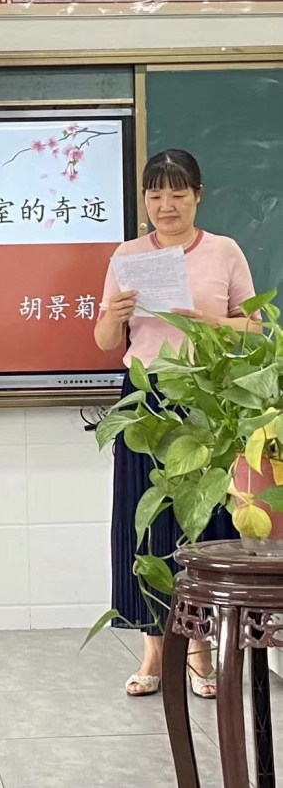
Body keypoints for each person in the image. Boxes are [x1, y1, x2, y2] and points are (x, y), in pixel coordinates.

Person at [94, 149, 260, 700]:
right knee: (145, 521)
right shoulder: (128, 255)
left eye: (178, 193)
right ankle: (153, 652)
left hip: (210, 396)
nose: (166, 205)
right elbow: (104, 341)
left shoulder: (223, 250)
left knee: (206, 521)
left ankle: (200, 652)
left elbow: (255, 328)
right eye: (155, 194)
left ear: (198, 195)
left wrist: (206, 320)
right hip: (146, 398)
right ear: (144, 200)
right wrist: (114, 316)